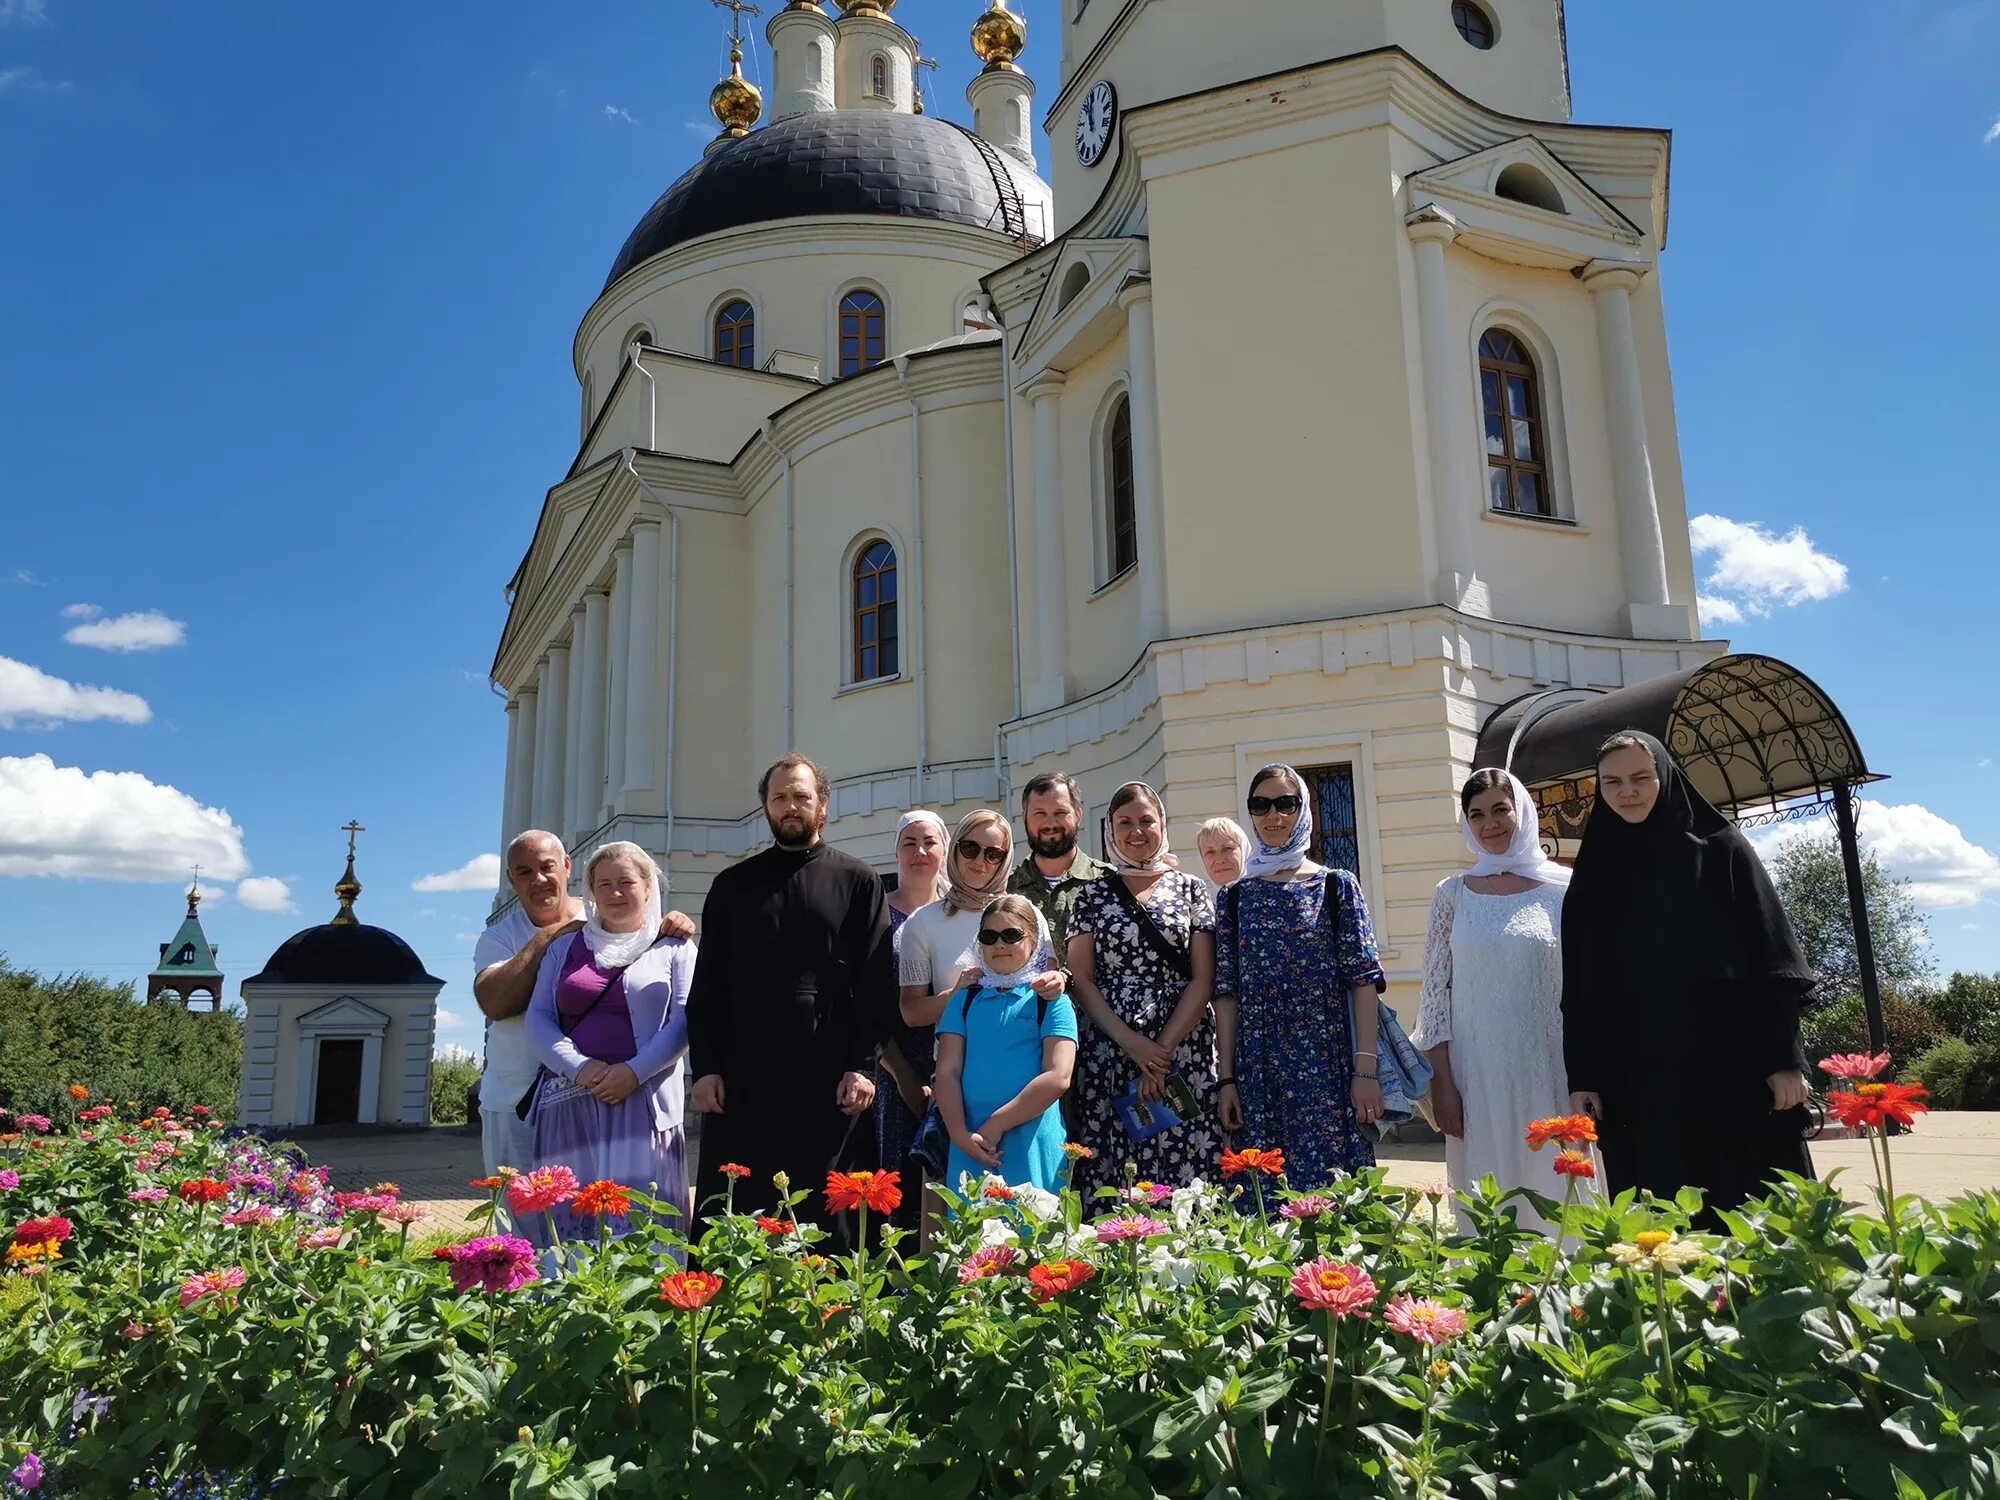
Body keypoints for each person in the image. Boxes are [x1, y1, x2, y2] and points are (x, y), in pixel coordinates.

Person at [1561, 730, 1815, 1220]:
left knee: (1752, 1208)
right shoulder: (1594, 873)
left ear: (1666, 776)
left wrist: (1785, 1058)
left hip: (1731, 1070)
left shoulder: (1721, 850)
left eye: (1640, 778)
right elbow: (1580, 990)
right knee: (1659, 1218)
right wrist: (1583, 1077)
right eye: (1611, 782)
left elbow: (1774, 960)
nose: (1626, 791)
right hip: (1635, 1080)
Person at [685, 753, 896, 1240]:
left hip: (829, 1085)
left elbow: (874, 985)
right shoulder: (731, 887)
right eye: (779, 797)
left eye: (801, 796)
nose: (790, 806)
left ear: (823, 805)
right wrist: (706, 1067)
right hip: (742, 1085)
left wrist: (863, 1067)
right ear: (765, 807)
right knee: (737, 1213)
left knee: (831, 1219)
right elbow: (708, 987)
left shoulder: (858, 881)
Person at [1413, 769, 1587, 1234]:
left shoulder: (1565, 891)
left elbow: (1587, 992)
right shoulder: (1451, 895)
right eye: (1476, 814)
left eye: (1499, 810)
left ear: (1522, 812)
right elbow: (1434, 1000)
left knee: (1560, 1203)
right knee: (1489, 1209)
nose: (1489, 824)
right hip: (1476, 1081)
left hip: (1549, 1074)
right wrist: (1442, 1085)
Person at [473, 830, 693, 1191]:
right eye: (524, 872)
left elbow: (682, 1016)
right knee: (524, 1216)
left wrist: (672, 922)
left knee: (634, 1213)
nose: (539, 879)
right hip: (516, 1095)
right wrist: (549, 937)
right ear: (511, 879)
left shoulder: (606, 917)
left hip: (628, 1098)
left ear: (567, 867)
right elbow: (497, 1004)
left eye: (547, 867)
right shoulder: (501, 937)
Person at [1214, 763, 1386, 1190]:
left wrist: (1365, 1073)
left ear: (1303, 808)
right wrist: (1228, 1079)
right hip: (1258, 1069)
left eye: (1285, 804)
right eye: (1261, 805)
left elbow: (1362, 980)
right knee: (1263, 1196)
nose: (1273, 816)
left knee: (1335, 1195)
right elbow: (1227, 994)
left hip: (1326, 1064)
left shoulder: (1336, 887)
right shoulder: (1234, 897)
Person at [521, 842, 697, 1243]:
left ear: (648, 887)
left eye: (626, 882)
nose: (615, 893)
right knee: (567, 1224)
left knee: (638, 1224)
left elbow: (685, 1021)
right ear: (591, 891)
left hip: (643, 1105)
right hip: (570, 1104)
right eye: (604, 884)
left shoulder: (675, 948)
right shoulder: (565, 947)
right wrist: (581, 1067)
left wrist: (633, 1073)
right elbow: (539, 1017)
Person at [1067, 781, 1221, 1193]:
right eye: (1125, 822)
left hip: (1182, 1052)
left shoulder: (1190, 888)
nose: (1137, 831)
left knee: (1188, 1165)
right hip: (1110, 1052)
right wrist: (1133, 1044)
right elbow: (1080, 979)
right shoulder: (1091, 894)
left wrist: (1161, 1052)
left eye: (1146, 820)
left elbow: (1203, 978)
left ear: (1162, 824)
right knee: (1116, 1172)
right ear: (1110, 831)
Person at [933, 895, 1079, 1195]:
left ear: (1035, 939)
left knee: (1034, 1236)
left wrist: (997, 1124)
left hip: (1030, 1141)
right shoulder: (964, 1000)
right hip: (970, 1140)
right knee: (971, 1236)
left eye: (1011, 935)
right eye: (989, 936)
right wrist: (960, 1134)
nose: (999, 944)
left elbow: (1058, 1076)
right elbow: (947, 1071)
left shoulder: (1051, 1000)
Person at [874, 809, 950, 1226]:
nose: (920, 852)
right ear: (897, 852)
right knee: (899, 1192)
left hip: (955, 1065)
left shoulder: (959, 915)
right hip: (895, 1066)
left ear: (945, 850)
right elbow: (866, 1002)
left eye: (929, 843)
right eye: (910, 843)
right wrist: (902, 1073)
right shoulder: (876, 916)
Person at [1006, 771, 1110, 962]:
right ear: (1025, 818)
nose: (1050, 823)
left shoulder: (1109, 883)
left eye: (1060, 812)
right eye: (1039, 813)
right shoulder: (1006, 889)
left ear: (1078, 815)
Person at [1195, 817, 1250, 890]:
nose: (1219, 860)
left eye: (1227, 848)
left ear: (1244, 851)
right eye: (1210, 852)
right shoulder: (1199, 900)